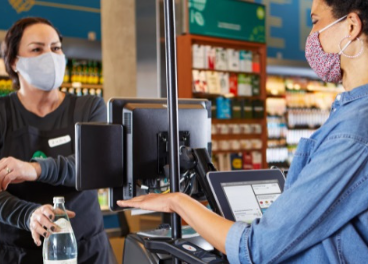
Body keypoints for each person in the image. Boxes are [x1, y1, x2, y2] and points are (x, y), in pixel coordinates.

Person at [117, 0, 368, 263]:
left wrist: (178, 202)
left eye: (316, 22)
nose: (311, 37)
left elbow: (257, 248)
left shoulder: (354, 130)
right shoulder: (349, 118)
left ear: (350, 26)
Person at [0, 17, 116, 263]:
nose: (50, 56)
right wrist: (29, 214)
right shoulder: (3, 114)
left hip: (87, 251)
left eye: (55, 48)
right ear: (13, 61)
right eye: (37, 49)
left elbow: (92, 166)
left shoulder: (89, 107)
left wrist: (35, 169)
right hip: (19, 253)